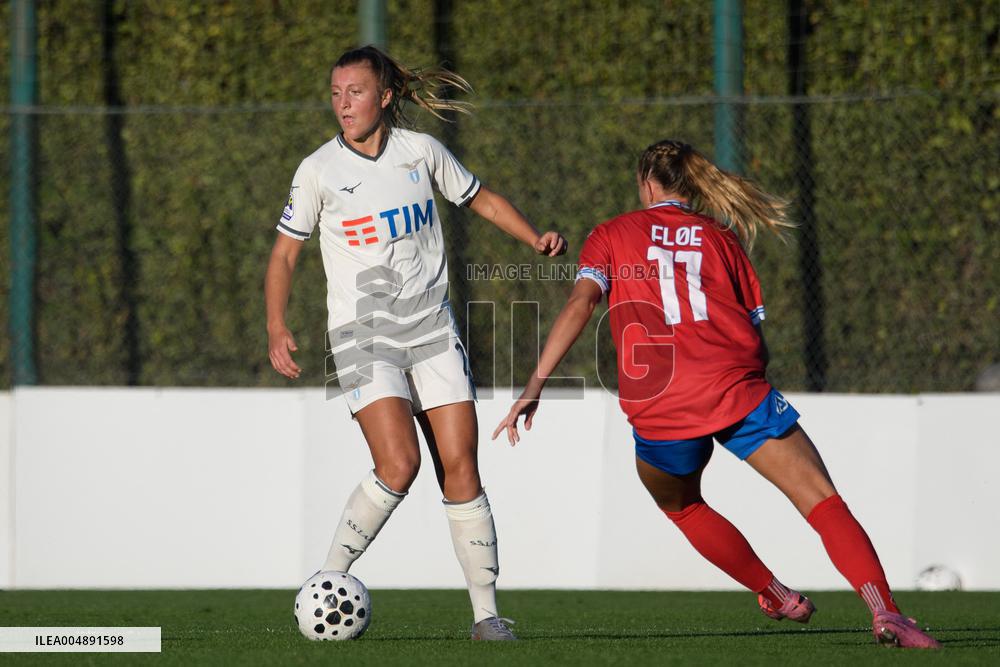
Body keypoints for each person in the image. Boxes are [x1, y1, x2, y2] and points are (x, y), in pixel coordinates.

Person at [493, 139, 940, 649]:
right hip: (736, 389)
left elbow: (581, 304)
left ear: (647, 183)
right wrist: (750, 384)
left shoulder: (611, 234)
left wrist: (535, 384)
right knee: (821, 501)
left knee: (682, 506)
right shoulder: (722, 236)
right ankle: (885, 612)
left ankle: (776, 594)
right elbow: (755, 331)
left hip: (661, 404)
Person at [266, 45, 567, 641]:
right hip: (363, 336)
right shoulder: (318, 169)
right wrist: (276, 324)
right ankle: (328, 580)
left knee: (462, 466)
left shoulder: (421, 151)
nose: (343, 103)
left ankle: (486, 616)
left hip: (432, 329)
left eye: (355, 92)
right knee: (399, 464)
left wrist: (534, 237)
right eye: (335, 93)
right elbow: (284, 255)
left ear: (384, 97)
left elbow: (481, 200)